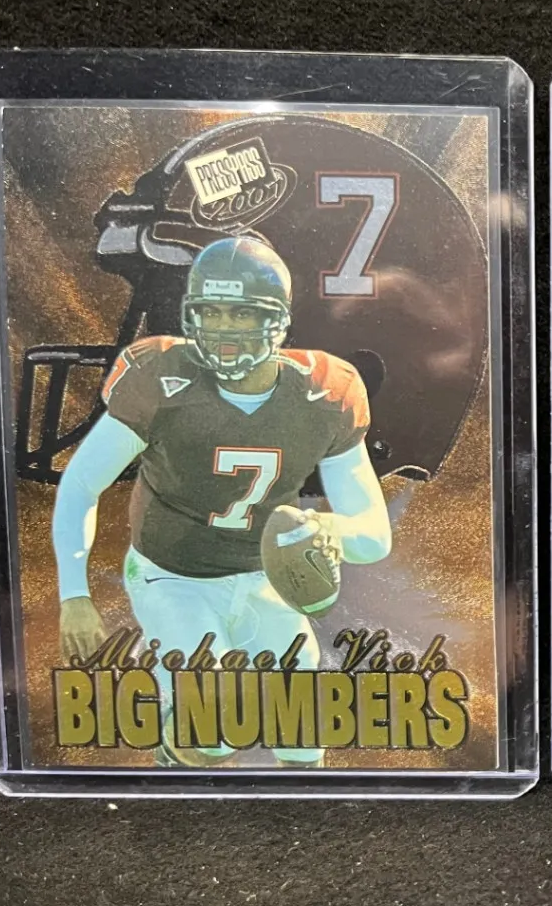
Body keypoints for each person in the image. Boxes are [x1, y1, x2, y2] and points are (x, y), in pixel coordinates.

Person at [52, 236, 393, 768]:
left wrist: (333, 530)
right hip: (172, 574)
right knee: (212, 725)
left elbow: (373, 535)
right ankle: (176, 756)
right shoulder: (161, 379)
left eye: (241, 312)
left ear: (277, 319)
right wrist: (74, 595)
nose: (223, 328)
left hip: (263, 576)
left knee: (302, 733)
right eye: (210, 311)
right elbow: (80, 484)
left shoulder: (324, 393)